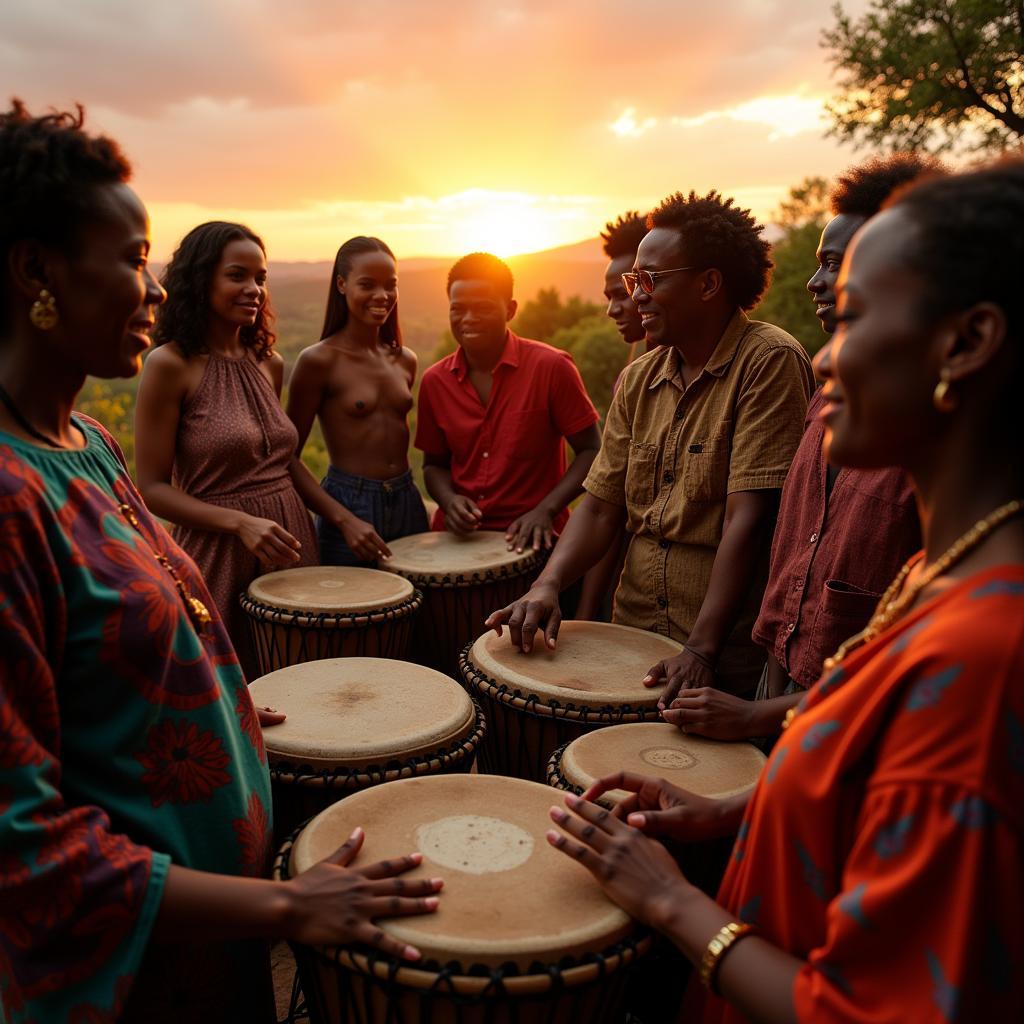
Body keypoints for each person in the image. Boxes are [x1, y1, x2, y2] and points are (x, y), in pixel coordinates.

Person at [546, 160, 1024, 1022]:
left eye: (854, 319)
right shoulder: (938, 578)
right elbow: (863, 784)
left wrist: (672, 903)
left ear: (966, 343)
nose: (827, 358)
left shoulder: (984, 665)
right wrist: (729, 811)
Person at [0, 101, 441, 1024]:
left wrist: (225, 703)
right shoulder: (9, 497)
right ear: (36, 271)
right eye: (131, 261)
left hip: (206, 942)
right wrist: (288, 905)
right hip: (130, 976)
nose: (152, 290)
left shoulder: (83, 442)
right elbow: (23, 851)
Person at [489, 191, 814, 698]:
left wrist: (702, 649)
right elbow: (599, 510)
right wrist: (548, 584)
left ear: (709, 283)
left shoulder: (768, 362)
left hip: (722, 650)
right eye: (633, 280)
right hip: (633, 628)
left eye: (651, 280)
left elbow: (746, 518)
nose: (637, 295)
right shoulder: (640, 378)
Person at [667, 154, 938, 742]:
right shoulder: (825, 398)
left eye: (838, 266)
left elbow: (914, 657)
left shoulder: (938, 433)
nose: (817, 282)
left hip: (858, 716)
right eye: (820, 264)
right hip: (783, 664)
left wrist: (752, 715)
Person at [134, 221, 320, 681]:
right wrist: (240, 522)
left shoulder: (269, 364)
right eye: (237, 275)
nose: (254, 288)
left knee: (300, 687)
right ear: (201, 280)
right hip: (216, 553)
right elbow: (152, 488)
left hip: (289, 540)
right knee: (227, 689)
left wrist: (337, 516)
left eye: (260, 278)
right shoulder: (169, 365)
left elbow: (279, 461)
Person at [416, 252, 601, 553]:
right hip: (456, 545)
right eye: (457, 309)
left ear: (510, 309)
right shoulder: (434, 381)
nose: (468, 319)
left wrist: (546, 510)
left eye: (483, 309)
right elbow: (433, 466)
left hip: (535, 541)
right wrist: (449, 502)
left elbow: (591, 451)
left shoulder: (552, 367)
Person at [286, 236, 428, 567]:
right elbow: (286, 456)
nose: (382, 296)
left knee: (418, 614)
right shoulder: (318, 361)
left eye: (390, 285)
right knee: (354, 616)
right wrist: (343, 519)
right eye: (367, 285)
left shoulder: (404, 359)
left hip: (407, 498)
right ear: (341, 284)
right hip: (349, 505)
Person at [576, 211, 652, 621]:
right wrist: (588, 610)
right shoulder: (635, 373)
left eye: (622, 293)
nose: (614, 309)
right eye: (611, 296)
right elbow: (609, 502)